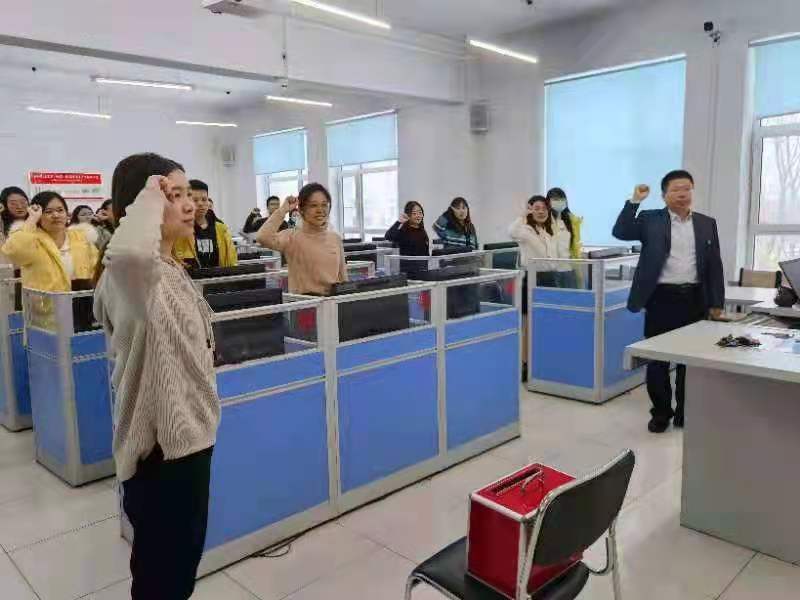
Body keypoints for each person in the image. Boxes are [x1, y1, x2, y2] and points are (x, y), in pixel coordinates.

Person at [93, 153, 220, 600]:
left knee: (178, 576)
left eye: (189, 194)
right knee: (161, 584)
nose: (189, 204)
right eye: (173, 194)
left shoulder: (170, 270)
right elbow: (128, 251)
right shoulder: (130, 279)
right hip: (161, 458)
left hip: (191, 444)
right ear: (141, 205)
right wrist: (150, 192)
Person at [613, 170, 724, 433]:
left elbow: (714, 265)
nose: (682, 194)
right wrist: (634, 201)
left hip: (695, 299)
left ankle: (685, 412)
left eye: (687, 188)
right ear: (664, 195)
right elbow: (621, 231)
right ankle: (661, 413)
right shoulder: (650, 219)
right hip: (661, 298)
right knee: (657, 360)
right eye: (676, 189)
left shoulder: (706, 223)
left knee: (690, 361)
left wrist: (716, 302)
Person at [257, 184, 346, 295]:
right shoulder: (291, 237)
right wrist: (283, 210)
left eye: (324, 205)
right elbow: (262, 237)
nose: (320, 210)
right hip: (305, 303)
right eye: (313, 205)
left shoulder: (335, 238)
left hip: (332, 302)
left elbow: (343, 278)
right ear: (302, 210)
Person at [1, 191, 98, 292]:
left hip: (81, 299)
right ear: (39, 216)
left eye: (60, 210)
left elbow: (96, 268)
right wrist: (31, 220)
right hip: (43, 301)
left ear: (67, 214)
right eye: (48, 212)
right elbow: (15, 253)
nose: (56, 215)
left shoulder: (80, 237)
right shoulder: (30, 237)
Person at [509, 195, 572, 288]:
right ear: (530, 211)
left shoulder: (549, 230)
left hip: (550, 276)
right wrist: (523, 215)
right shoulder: (526, 229)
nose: (541, 212)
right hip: (532, 277)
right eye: (537, 209)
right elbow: (512, 232)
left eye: (544, 208)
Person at [174, 179, 237, 269]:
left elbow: (231, 260)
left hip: (220, 276)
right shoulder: (179, 231)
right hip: (190, 277)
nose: (200, 204)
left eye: (204, 199)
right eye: (195, 200)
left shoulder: (221, 229)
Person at [546, 187, 583, 259]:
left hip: (568, 263)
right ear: (548, 202)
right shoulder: (544, 220)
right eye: (555, 199)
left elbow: (575, 245)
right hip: (550, 263)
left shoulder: (573, 221)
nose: (559, 202)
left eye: (562, 199)